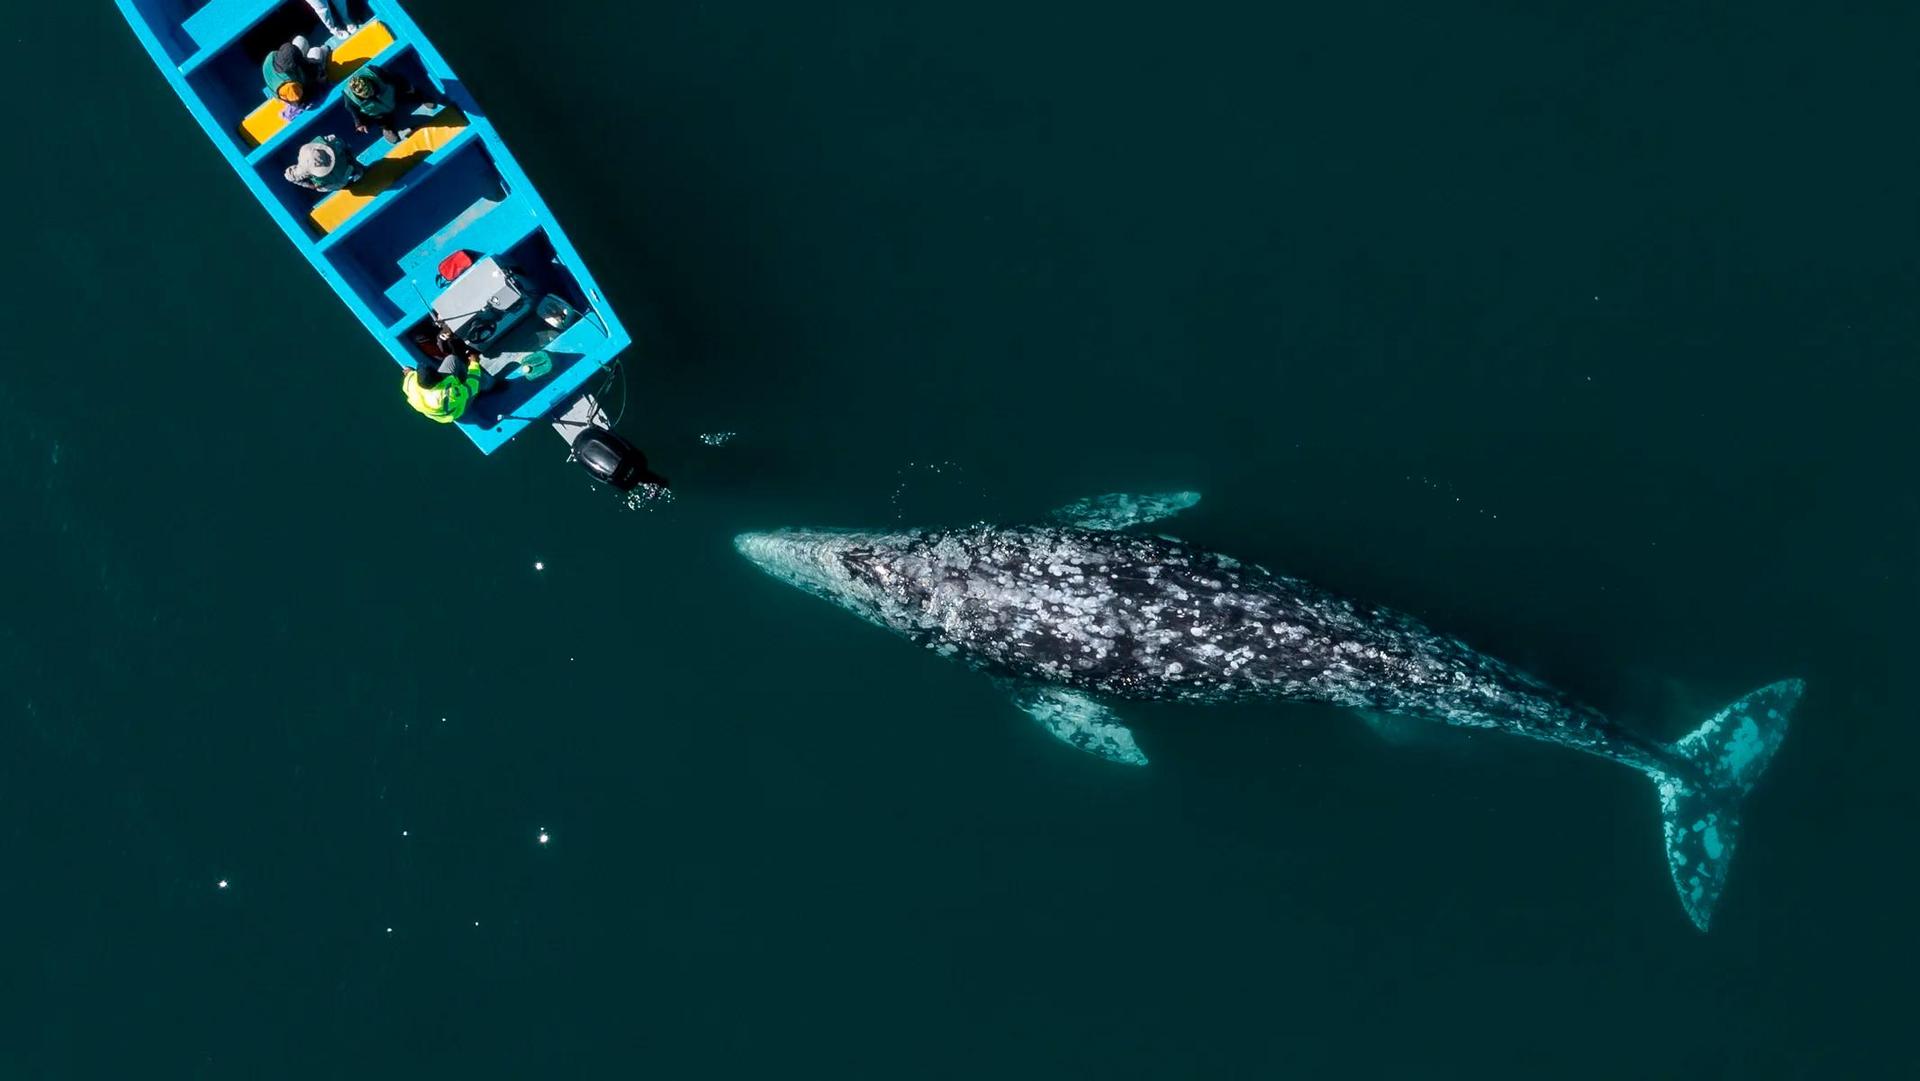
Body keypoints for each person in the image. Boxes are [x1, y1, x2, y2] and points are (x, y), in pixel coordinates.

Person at [402, 327, 494, 424]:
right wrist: (474, 363)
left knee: (452, 359)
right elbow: (473, 386)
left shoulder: (410, 382)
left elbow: (410, 374)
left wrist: (410, 372)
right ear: (439, 378)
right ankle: (491, 386)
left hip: (440, 397)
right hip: (455, 410)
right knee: (480, 383)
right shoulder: (448, 394)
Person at [344, 65, 434, 143]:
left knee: (405, 93)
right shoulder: (350, 99)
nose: (371, 94)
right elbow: (353, 112)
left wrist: (408, 87)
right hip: (378, 112)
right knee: (379, 120)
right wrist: (359, 124)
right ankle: (387, 128)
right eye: (366, 95)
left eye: (370, 91)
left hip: (392, 96)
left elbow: (396, 78)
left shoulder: (376, 73)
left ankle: (420, 96)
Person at [261, 37, 330, 110]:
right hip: (305, 74)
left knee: (300, 40)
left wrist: (303, 60)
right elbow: (313, 73)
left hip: (298, 66)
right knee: (316, 51)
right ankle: (325, 49)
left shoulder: (273, 58)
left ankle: (311, 54)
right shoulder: (299, 91)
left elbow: (292, 51)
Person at [282, 135, 362, 192]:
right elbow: (290, 176)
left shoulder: (329, 141)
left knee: (339, 181)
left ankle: (354, 168)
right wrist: (309, 185)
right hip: (342, 159)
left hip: (344, 163)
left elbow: (342, 143)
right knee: (338, 182)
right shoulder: (321, 142)